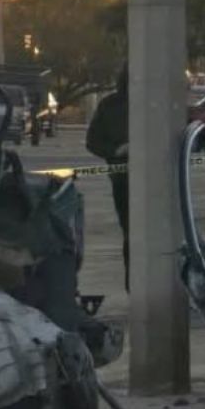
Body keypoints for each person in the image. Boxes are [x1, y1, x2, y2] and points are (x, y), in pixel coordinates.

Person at [85, 63, 130, 291]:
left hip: (160, 181)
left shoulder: (158, 102)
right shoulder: (110, 106)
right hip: (123, 180)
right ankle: (134, 285)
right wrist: (116, 151)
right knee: (132, 234)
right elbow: (93, 142)